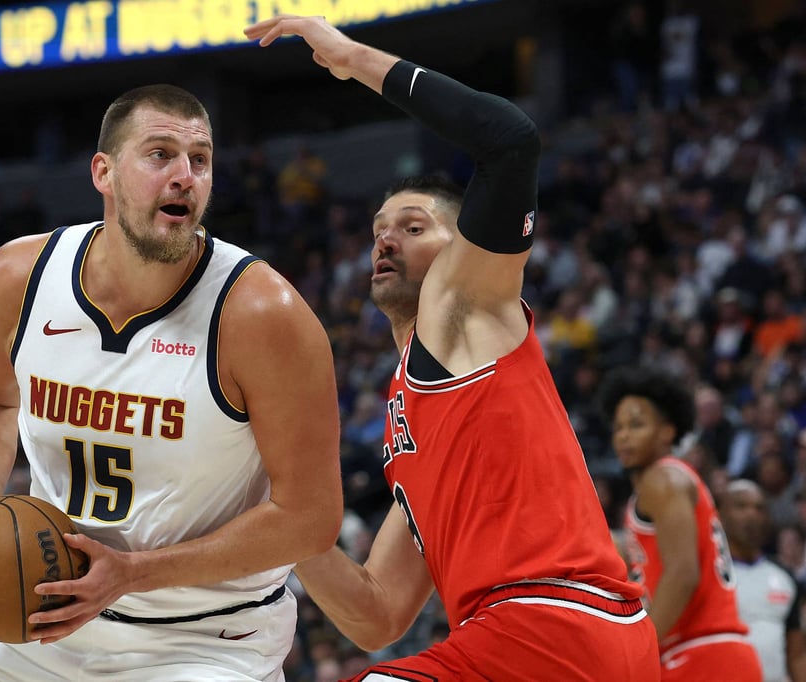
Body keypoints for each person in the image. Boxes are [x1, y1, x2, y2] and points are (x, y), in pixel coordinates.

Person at [245, 15, 659, 680]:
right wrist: (277, 507)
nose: (386, 240)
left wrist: (351, 58)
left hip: (553, 622)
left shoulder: (459, 305)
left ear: (463, 245)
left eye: (413, 227)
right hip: (555, 643)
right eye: (378, 231)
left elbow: (512, 140)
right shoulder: (406, 419)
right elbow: (377, 614)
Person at [0, 83, 344, 681]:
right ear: (104, 172)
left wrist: (132, 573)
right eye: (160, 154)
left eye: (200, 160)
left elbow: (311, 517)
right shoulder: (18, 276)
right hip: (46, 616)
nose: (185, 176)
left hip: (207, 637)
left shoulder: (263, 315)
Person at [599, 366, 762, 679]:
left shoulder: (663, 478)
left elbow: (683, 574)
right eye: (618, 427)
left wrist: (639, 651)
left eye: (636, 424)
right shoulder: (663, 485)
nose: (624, 435)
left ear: (667, 432)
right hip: (706, 652)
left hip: (703, 652)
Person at [719, 478, 806, 682]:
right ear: (720, 515)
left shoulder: (784, 575)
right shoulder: (707, 572)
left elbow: (797, 655)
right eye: (741, 506)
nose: (752, 514)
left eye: (759, 508)